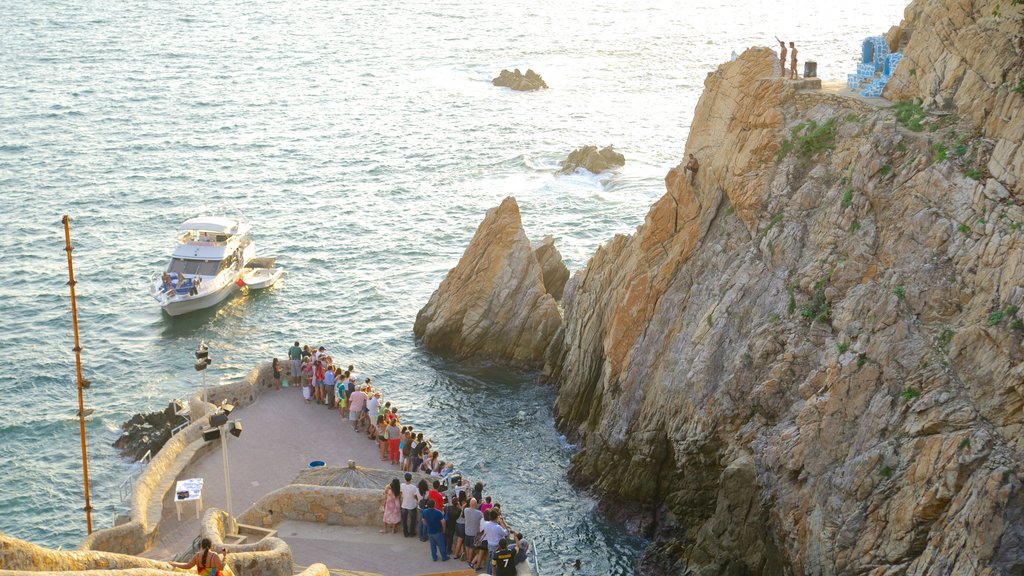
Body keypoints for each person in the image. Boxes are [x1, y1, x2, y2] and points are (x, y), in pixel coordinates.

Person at [480, 509, 509, 574]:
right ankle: (490, 574)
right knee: (494, 562)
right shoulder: (498, 527)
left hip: (489, 544)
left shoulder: (486, 524)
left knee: (490, 559)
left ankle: (488, 573)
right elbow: (506, 533)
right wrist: (502, 522)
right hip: (496, 546)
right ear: (496, 517)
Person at [463, 498, 485, 570]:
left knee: (467, 546)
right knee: (472, 547)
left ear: (469, 503)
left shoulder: (466, 510)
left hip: (467, 531)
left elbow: (464, 507)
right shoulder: (479, 513)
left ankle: (467, 558)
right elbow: (484, 519)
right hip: (473, 533)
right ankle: (469, 560)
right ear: (476, 504)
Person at [400, 472, 419, 538]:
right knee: (413, 520)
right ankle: (411, 533)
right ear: (411, 479)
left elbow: (401, 493)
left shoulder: (402, 485)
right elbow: (415, 496)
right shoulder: (414, 487)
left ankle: (405, 533)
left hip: (404, 505)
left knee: (404, 520)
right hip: (411, 505)